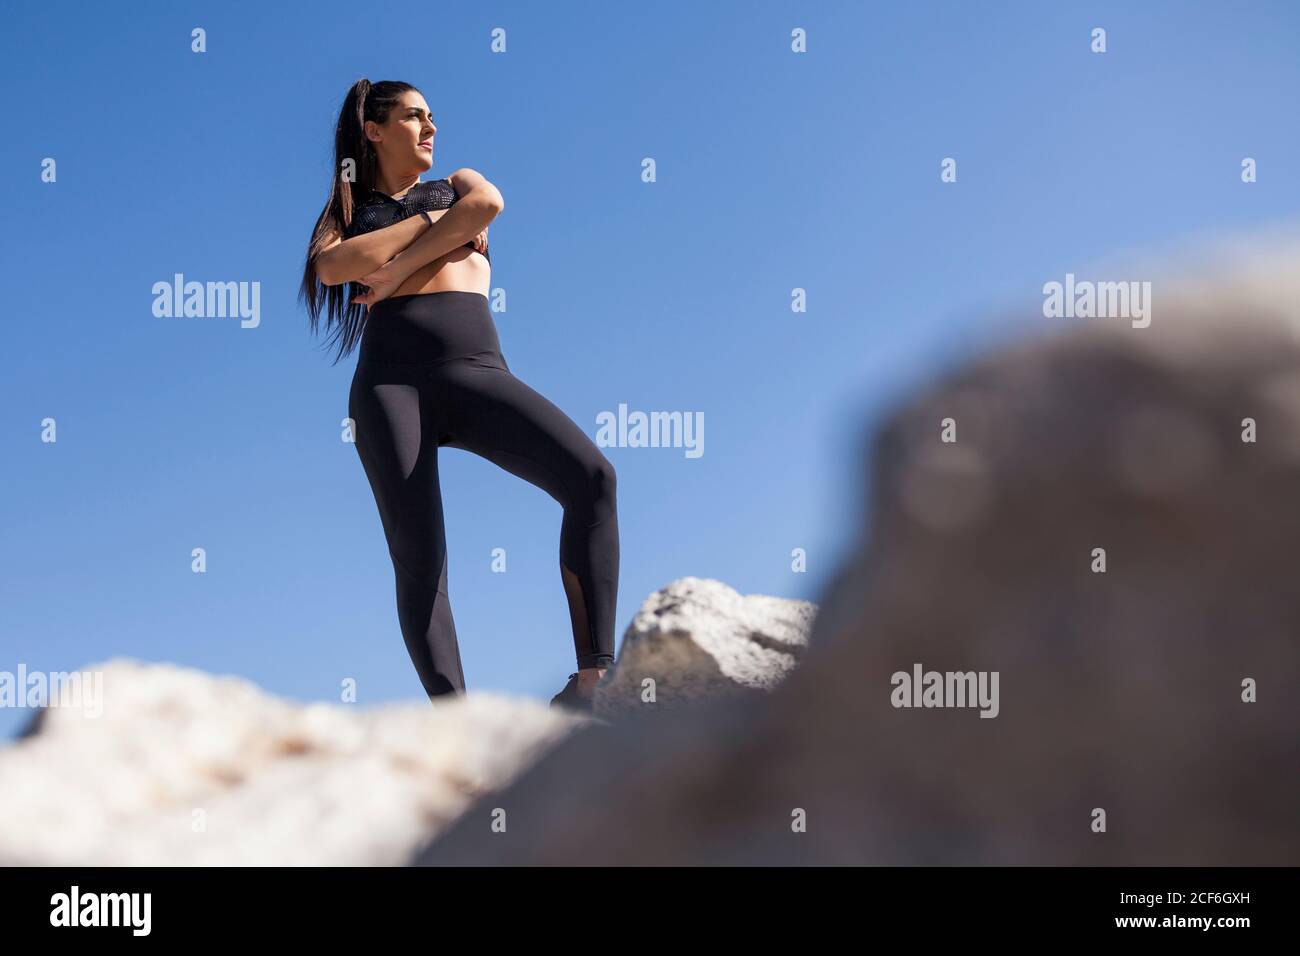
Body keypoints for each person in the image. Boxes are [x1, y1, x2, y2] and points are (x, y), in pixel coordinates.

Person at [299, 79, 619, 713]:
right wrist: (426, 232)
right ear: (374, 129)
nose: (430, 128)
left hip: (474, 369)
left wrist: (391, 268)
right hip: (389, 385)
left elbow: (487, 206)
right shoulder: (349, 205)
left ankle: (592, 680)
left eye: (432, 117)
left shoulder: (460, 182)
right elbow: (332, 267)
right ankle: (459, 726)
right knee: (421, 559)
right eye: (415, 117)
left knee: (592, 477)